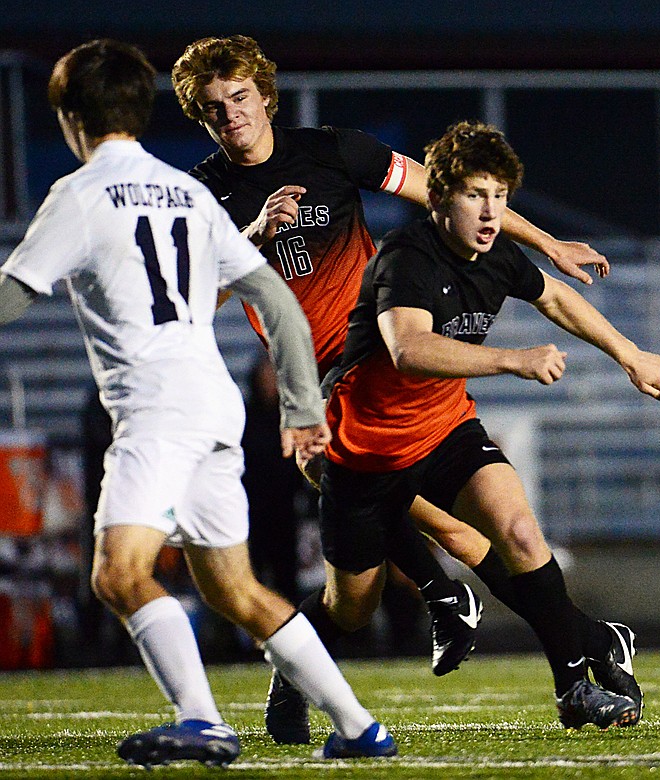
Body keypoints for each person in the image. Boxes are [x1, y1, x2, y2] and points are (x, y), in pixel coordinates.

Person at [170, 37, 624, 743]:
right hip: (316, 383)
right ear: (200, 118)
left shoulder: (330, 150)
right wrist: (254, 236)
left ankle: (538, 640)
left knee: (490, 527)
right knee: (360, 599)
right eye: (213, 107)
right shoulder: (201, 193)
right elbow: (192, 298)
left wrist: (549, 244)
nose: (231, 114)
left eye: (240, 96)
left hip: (383, 355)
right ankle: (552, 628)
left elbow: (451, 192)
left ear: (265, 93)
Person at [0, 40, 397, 765]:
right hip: (215, 405)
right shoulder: (186, 192)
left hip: (155, 407)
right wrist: (304, 406)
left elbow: (13, 295)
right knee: (237, 591)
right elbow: (274, 296)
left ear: (69, 115)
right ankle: (359, 728)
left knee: (118, 574)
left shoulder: (81, 193)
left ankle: (201, 719)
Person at [314, 119, 660, 729]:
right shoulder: (404, 257)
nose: (490, 213)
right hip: (368, 453)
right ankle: (289, 668)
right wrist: (513, 359)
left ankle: (574, 689)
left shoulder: (497, 254)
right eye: (474, 196)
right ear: (437, 198)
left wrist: (630, 354)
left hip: (443, 432)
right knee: (352, 609)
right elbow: (411, 349)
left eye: (500, 197)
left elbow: (557, 297)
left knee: (517, 530)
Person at [241, 352, 306, 602]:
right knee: (251, 575)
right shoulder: (246, 417)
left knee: (286, 576)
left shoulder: (290, 418)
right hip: (251, 509)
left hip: (284, 509)